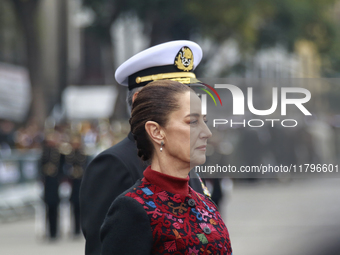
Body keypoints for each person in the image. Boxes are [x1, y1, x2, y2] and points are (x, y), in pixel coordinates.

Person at [80, 40, 210, 255]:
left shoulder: (181, 158)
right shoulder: (114, 164)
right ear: (141, 100)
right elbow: (104, 247)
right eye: (172, 93)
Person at [100, 80, 232, 254]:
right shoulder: (132, 209)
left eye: (204, 121)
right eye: (192, 122)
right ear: (156, 131)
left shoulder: (205, 203)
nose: (207, 132)